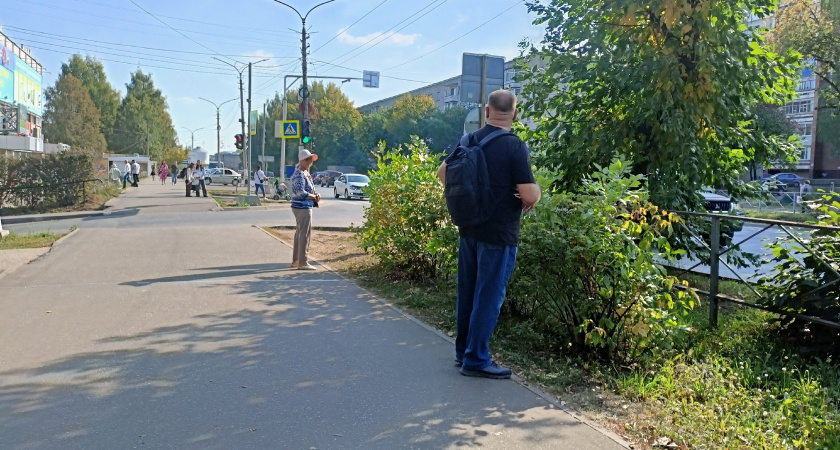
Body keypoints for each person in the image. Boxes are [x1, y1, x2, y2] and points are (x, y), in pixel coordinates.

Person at [436, 89, 541, 380]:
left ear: (486, 111)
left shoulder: (468, 140)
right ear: (515, 114)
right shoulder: (513, 146)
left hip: (469, 226)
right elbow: (529, 192)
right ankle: (477, 359)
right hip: (499, 231)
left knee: (468, 292)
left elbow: (442, 173)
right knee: (489, 294)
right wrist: (534, 195)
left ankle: (463, 352)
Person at [290, 149, 321, 270]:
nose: (309, 162)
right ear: (302, 160)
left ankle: (296, 261)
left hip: (303, 206)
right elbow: (300, 192)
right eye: (307, 160)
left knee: (300, 233)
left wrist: (314, 195)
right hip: (302, 207)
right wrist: (314, 196)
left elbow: (308, 189)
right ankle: (303, 262)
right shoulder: (299, 174)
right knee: (304, 234)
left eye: (311, 160)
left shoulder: (304, 173)